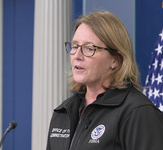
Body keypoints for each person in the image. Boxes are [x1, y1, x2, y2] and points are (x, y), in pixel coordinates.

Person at [46, 11, 163, 150]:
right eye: (75, 46)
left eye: (89, 48)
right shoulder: (63, 111)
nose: (77, 55)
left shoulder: (137, 112)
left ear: (115, 59)